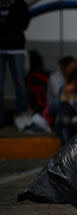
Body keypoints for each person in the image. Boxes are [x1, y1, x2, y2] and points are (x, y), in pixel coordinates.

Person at [0, 0, 30, 129]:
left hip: (16, 47)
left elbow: (24, 23)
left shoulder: (20, 4)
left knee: (19, 82)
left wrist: (6, 23)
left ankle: (21, 117)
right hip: (2, 47)